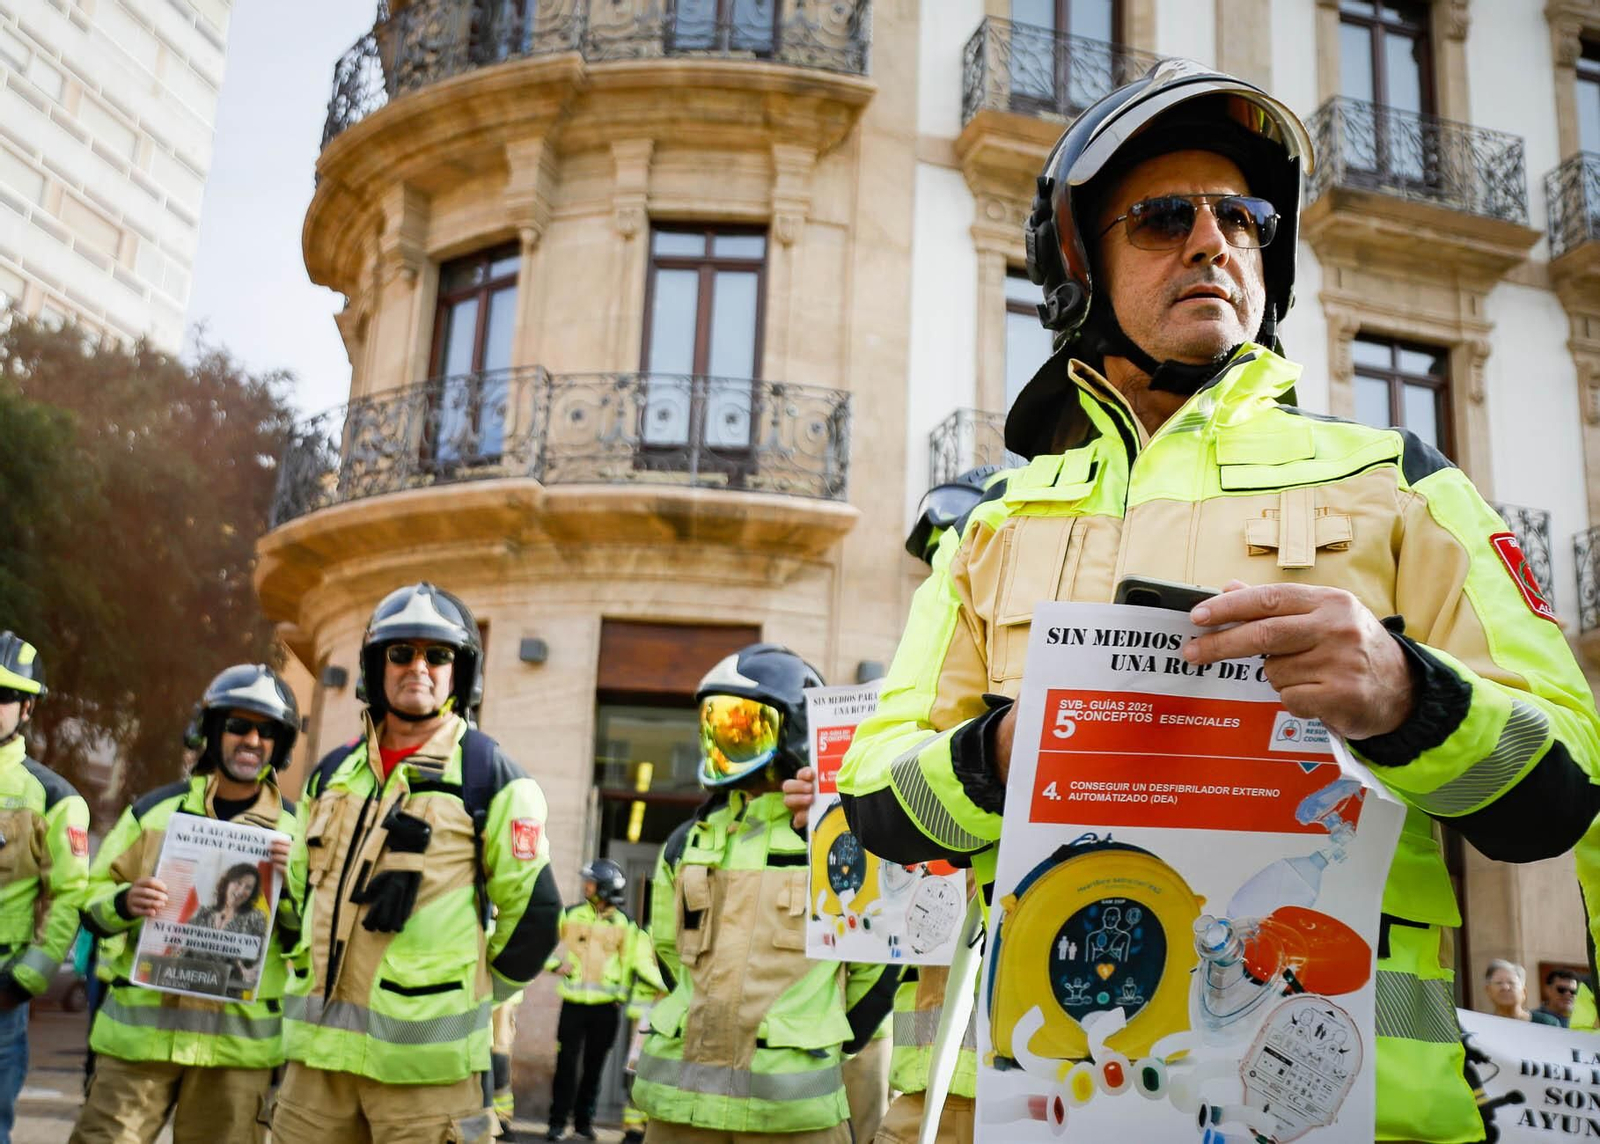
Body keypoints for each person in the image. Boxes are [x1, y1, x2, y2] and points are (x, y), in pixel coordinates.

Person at [837, 58, 1600, 1144]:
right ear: (1077, 270)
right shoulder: (991, 524)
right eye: (1160, 218)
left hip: (1338, 1103)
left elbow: (1564, 787)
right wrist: (1002, 755)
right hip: (1029, 1098)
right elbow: (873, 802)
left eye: (1239, 218)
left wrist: (1408, 699)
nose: (1211, 241)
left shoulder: (1401, 478)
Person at [272, 582, 563, 1144]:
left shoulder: (490, 775)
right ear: (376, 666)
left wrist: (480, 992)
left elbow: (536, 914)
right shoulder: (329, 773)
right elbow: (299, 897)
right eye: (400, 653)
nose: (418, 667)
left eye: (438, 655)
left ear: (460, 672)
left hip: (426, 1078)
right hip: (315, 1066)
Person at [633, 644, 901, 1143]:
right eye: (715, 722)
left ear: (794, 731)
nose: (724, 737)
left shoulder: (836, 837)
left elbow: (875, 965)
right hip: (679, 1110)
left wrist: (817, 1044)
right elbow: (668, 956)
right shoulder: (685, 842)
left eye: (743, 724)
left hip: (791, 1119)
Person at [70, 664, 302, 1144]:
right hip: (137, 1044)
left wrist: (292, 882)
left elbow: (319, 935)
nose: (252, 740)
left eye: (266, 731)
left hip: (236, 1055)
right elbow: (87, 900)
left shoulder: (300, 834)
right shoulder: (153, 811)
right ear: (212, 730)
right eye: (238, 725)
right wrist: (126, 901)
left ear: (280, 745)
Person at [0, 632, 89, 1144]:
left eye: (5, 695)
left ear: (28, 707)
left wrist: (22, 984)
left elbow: (69, 899)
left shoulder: (55, 797)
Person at [543, 858, 664, 1141]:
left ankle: (584, 1124)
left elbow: (632, 961)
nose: (586, 886)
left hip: (606, 1010)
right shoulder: (571, 914)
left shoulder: (627, 924)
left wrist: (620, 998)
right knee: (566, 1066)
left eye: (591, 882)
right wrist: (553, 965)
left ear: (606, 889)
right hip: (573, 1003)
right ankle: (557, 1124)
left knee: (594, 1068)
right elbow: (540, 940)